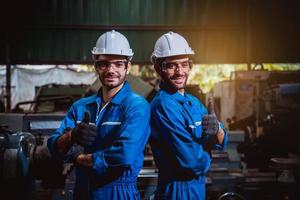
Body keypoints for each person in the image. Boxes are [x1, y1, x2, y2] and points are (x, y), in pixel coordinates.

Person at [47, 30, 151, 200]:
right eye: (104, 64)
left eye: (118, 64)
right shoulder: (80, 107)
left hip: (119, 193)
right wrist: (71, 135)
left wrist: (79, 158)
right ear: (95, 66)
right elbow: (54, 147)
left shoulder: (137, 106)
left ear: (128, 66)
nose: (111, 70)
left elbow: (123, 155)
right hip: (82, 192)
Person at [149, 32, 228, 200]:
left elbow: (222, 142)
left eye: (184, 64)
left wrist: (218, 131)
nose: (180, 72)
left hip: (197, 188)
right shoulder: (162, 106)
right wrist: (208, 151)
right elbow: (190, 161)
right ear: (158, 68)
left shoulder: (194, 103)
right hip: (176, 191)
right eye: (171, 66)